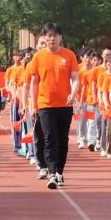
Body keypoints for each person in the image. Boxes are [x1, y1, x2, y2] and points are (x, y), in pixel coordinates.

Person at [28, 23, 79, 189]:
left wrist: (73, 93)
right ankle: (51, 173)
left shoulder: (69, 55)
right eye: (49, 35)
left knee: (63, 139)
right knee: (49, 138)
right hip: (45, 104)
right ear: (44, 38)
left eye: (55, 35)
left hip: (65, 104)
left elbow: (75, 78)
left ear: (60, 37)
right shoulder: (38, 57)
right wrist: (33, 105)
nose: (52, 38)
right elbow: (34, 82)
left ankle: (59, 172)